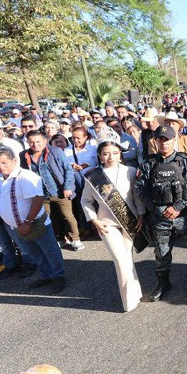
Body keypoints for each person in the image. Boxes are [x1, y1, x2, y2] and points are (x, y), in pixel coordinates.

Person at [136, 125, 187, 301]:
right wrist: (157, 208)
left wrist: (178, 207)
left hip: (185, 217)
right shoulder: (148, 164)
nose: (164, 143)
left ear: (174, 140)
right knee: (162, 253)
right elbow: (140, 189)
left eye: (167, 139)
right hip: (160, 217)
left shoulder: (185, 162)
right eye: (160, 139)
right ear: (155, 141)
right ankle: (163, 283)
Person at [82, 133, 147, 312]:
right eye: (105, 153)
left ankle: (136, 292)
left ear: (120, 154)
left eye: (114, 153)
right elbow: (85, 201)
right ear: (99, 155)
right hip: (106, 223)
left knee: (128, 259)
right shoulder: (92, 176)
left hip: (130, 220)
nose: (110, 157)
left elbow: (136, 197)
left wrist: (141, 215)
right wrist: (94, 220)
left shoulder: (130, 172)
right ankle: (129, 302)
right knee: (120, 260)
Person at [0, 147, 66, 294]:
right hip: (15, 227)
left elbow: (38, 199)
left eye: (4, 163)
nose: (0, 166)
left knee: (49, 251)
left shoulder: (26, 177)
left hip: (34, 224)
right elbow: (2, 201)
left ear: (14, 161)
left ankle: (58, 277)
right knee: (33, 253)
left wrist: (28, 222)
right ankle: (46, 275)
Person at [19, 130, 83, 250]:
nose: (35, 145)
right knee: (49, 217)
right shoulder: (24, 155)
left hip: (59, 190)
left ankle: (75, 238)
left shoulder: (55, 151)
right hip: (40, 193)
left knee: (67, 216)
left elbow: (68, 169)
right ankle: (59, 238)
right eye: (31, 142)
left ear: (45, 141)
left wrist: (67, 187)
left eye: (38, 141)